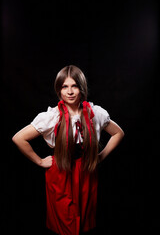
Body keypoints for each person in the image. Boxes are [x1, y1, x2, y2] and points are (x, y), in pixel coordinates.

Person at [12, 65, 124, 235]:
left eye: (74, 86)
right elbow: (19, 138)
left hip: (86, 171)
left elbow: (118, 133)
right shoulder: (52, 116)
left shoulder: (95, 113)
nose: (70, 91)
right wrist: (40, 161)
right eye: (65, 87)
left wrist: (100, 157)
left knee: (84, 221)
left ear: (82, 88)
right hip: (61, 172)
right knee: (64, 223)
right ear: (59, 90)